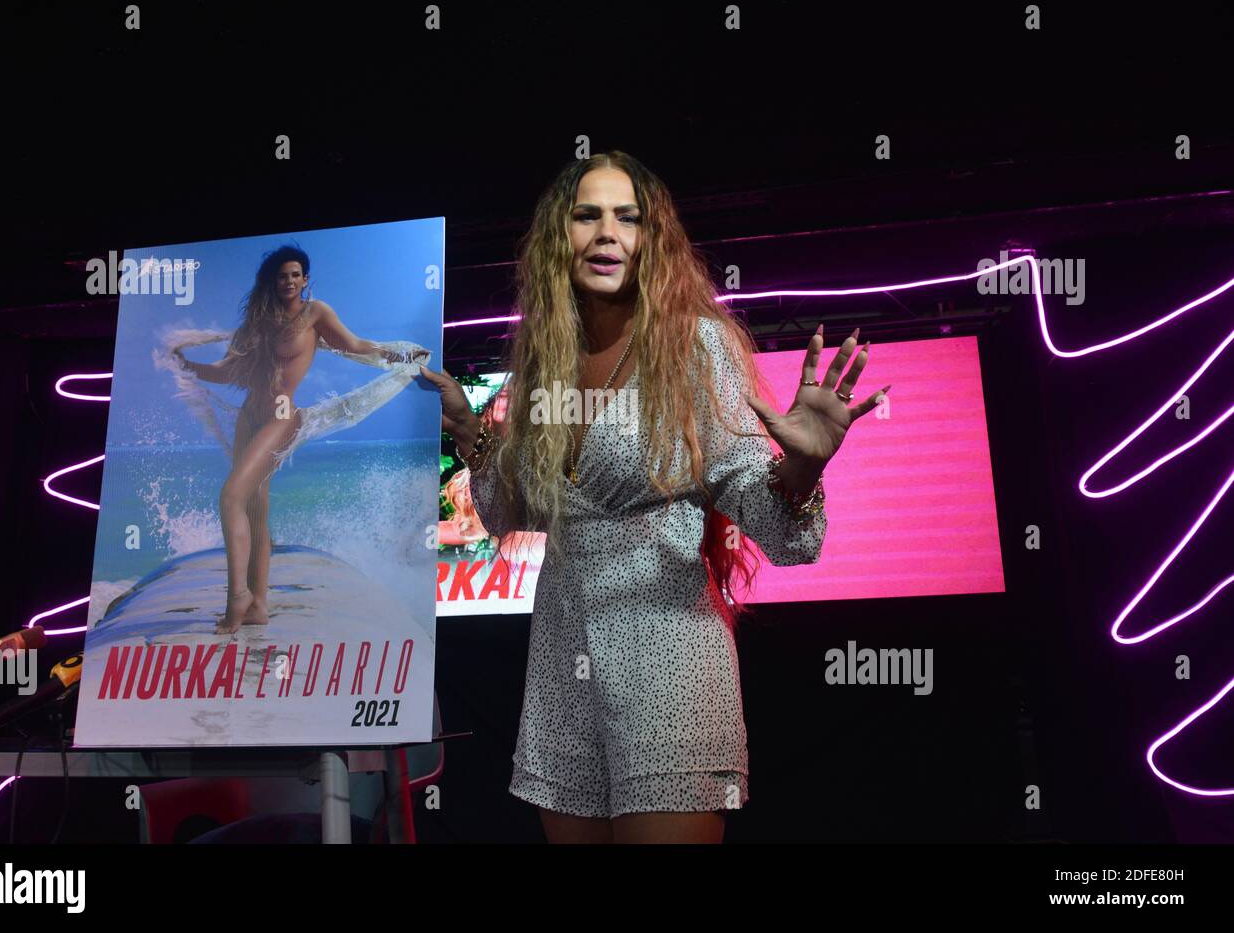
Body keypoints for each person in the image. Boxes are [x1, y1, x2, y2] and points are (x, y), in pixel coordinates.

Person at [420, 151, 889, 843]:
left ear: (650, 239)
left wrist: (800, 471)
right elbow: (511, 510)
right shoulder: (544, 359)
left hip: (669, 659)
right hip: (559, 664)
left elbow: (777, 528)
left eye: (626, 217)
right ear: (560, 237)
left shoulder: (693, 347)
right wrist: (469, 435)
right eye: (587, 215)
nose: (607, 232)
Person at [174, 245, 425, 634]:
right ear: (271, 281)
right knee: (256, 509)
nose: (289, 281)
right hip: (250, 416)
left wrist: (402, 358)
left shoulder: (315, 314)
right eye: (281, 275)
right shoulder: (258, 322)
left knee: (231, 497)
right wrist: (188, 366)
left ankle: (236, 598)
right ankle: (258, 604)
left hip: (280, 415)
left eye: (295, 274)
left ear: (305, 279)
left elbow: (355, 346)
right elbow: (228, 373)